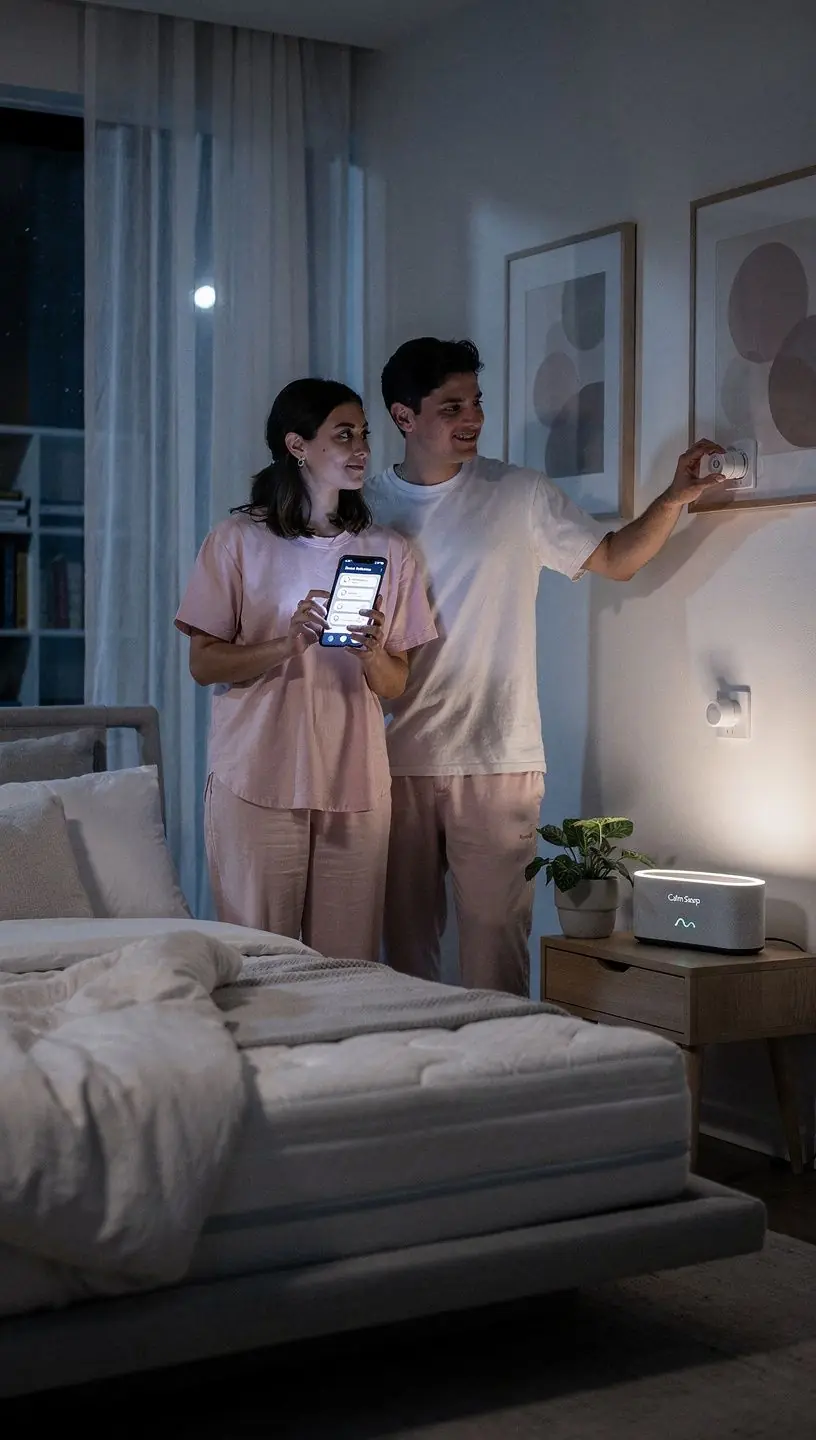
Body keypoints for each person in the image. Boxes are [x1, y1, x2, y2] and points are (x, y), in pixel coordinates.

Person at [366, 337, 723, 996]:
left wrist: (675, 498)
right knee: (401, 960)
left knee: (495, 955)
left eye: (476, 402)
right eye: (451, 407)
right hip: (387, 761)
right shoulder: (365, 507)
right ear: (403, 416)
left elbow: (615, 559)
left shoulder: (518, 493)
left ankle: (508, 1062)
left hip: (497, 757)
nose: (472, 418)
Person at [175, 378, 437, 961]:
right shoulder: (236, 540)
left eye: (364, 434)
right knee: (261, 964)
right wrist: (285, 644)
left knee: (347, 968)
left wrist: (371, 652)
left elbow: (395, 685)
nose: (361, 448)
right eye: (344, 435)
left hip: (354, 780)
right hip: (257, 777)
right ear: (297, 445)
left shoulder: (389, 550)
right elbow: (203, 663)